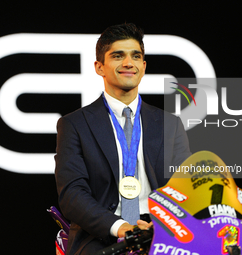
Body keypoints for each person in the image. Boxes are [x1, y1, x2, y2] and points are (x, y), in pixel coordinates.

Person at [55, 23, 191, 255]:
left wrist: (161, 224)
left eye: (135, 56)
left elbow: (186, 186)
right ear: (99, 67)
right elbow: (72, 194)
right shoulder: (75, 124)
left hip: (161, 232)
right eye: (118, 56)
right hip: (102, 235)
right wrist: (121, 227)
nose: (128, 63)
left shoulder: (170, 124)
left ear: (143, 66)